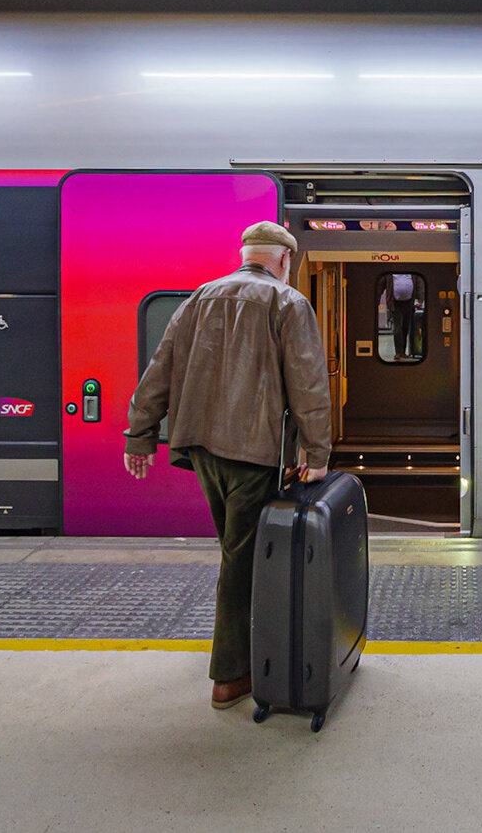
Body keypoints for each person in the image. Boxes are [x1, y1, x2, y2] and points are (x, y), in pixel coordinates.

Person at [123, 221, 332, 710]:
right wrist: (317, 454)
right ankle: (229, 675)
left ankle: (249, 655)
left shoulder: (200, 297)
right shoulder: (288, 303)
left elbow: (160, 368)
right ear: (284, 261)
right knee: (242, 562)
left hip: (200, 448)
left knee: (237, 551)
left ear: (246, 256)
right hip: (252, 453)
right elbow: (308, 383)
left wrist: (141, 435)